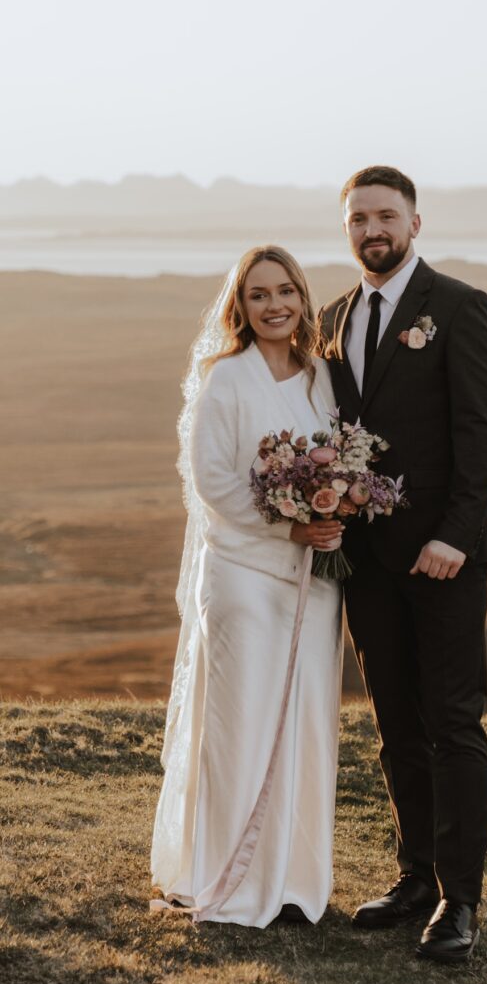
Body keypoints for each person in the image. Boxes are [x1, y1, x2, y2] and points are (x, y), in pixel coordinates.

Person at [320, 166, 487, 964]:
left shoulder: (459, 308)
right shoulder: (331, 318)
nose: (372, 230)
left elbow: (479, 431)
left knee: (452, 723)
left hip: (442, 556)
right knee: (394, 722)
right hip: (365, 561)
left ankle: (461, 901)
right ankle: (415, 879)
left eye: (385, 216)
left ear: (415, 224)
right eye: (359, 218)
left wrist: (456, 535)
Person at [151, 246, 344, 927]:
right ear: (240, 306)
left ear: (302, 297)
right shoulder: (223, 379)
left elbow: (342, 459)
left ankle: (292, 881)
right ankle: (226, 875)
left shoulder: (322, 377)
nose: (274, 306)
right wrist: (285, 528)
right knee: (241, 721)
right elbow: (213, 481)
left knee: (304, 721)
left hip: (312, 583)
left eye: (285, 291)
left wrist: (334, 510)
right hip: (240, 572)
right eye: (258, 294)